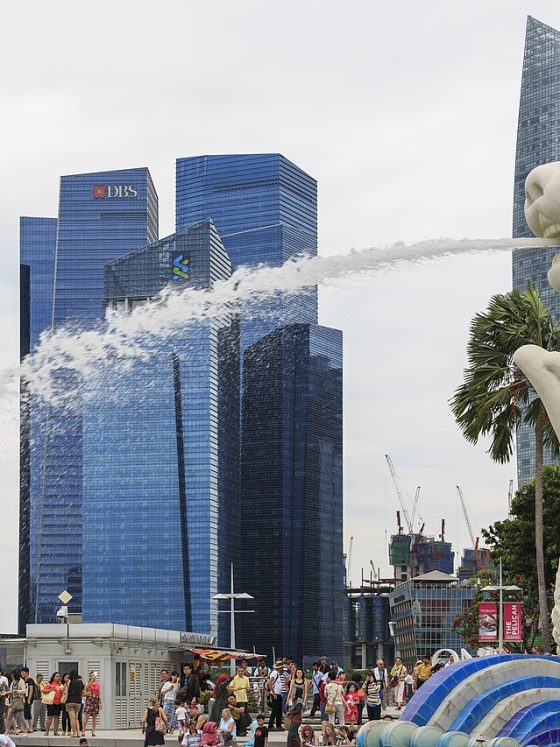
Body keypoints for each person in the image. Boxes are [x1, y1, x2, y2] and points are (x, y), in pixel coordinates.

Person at [43, 671, 64, 737]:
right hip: (51, 703)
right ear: (53, 677)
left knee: (57, 717)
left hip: (59, 703)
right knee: (50, 717)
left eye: (59, 676)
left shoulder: (60, 684)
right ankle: (47, 731)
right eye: (57, 676)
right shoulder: (50, 684)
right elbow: (43, 691)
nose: (58, 677)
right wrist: (51, 689)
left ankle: (55, 732)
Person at [5, 670, 26, 735]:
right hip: (13, 702)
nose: (11, 676)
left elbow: (24, 691)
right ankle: (7, 731)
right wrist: (6, 693)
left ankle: (25, 730)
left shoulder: (21, 681)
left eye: (12, 675)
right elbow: (11, 691)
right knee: (9, 717)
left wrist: (17, 691)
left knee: (22, 718)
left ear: (15, 675)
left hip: (19, 702)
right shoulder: (13, 682)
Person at [82, 670, 102, 737]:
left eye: (94, 675)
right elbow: (87, 688)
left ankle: (93, 730)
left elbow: (99, 693)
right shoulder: (87, 683)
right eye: (92, 675)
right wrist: (91, 680)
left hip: (95, 699)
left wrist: (100, 702)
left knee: (94, 716)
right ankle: (83, 730)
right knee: (87, 715)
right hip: (89, 699)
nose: (94, 677)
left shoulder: (98, 684)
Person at [65, 670, 84, 738]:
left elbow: (66, 691)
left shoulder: (69, 681)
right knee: (76, 718)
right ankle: (79, 732)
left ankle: (74, 733)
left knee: (72, 718)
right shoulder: (80, 682)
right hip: (78, 702)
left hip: (70, 701)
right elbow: (82, 692)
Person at [267, 661, 285, 731]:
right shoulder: (274, 673)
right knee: (275, 710)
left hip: (278, 693)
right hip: (276, 694)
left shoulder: (277, 673)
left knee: (279, 710)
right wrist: (274, 693)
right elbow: (269, 683)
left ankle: (278, 725)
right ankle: (271, 725)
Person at [20, 667, 34, 734]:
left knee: (26, 713)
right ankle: (30, 728)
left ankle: (25, 728)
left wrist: (29, 699)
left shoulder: (30, 680)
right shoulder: (23, 680)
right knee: (28, 714)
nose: (22, 674)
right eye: (21, 672)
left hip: (27, 699)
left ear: (27, 672)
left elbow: (31, 690)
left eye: (23, 672)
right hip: (24, 698)